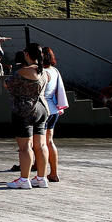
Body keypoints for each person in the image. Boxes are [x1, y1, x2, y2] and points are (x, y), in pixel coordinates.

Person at [6, 43, 50, 189]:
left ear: (27, 54)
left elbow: (7, 84)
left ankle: (24, 179)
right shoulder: (45, 71)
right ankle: (41, 178)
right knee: (41, 145)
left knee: (25, 147)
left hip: (25, 110)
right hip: (42, 108)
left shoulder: (23, 71)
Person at [42, 47, 68, 183]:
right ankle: (53, 172)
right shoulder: (55, 70)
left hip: (43, 110)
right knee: (50, 141)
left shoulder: (42, 73)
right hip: (54, 109)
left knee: (40, 143)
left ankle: (41, 173)